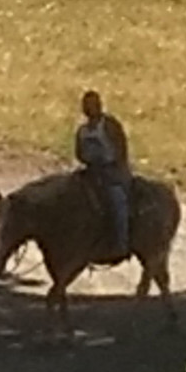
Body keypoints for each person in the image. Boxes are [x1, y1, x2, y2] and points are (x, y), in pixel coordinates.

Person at [74, 89, 132, 259]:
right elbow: (78, 153)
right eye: (86, 106)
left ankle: (121, 242)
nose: (89, 109)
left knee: (117, 201)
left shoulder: (109, 125)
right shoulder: (82, 130)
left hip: (112, 173)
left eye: (92, 105)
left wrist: (111, 165)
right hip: (91, 172)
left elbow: (121, 149)